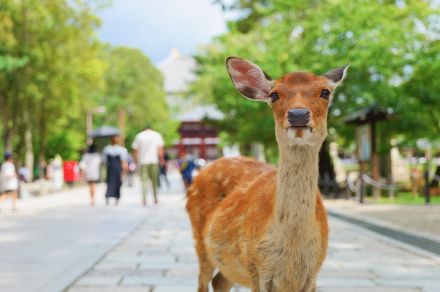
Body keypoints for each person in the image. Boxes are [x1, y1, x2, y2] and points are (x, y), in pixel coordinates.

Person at [132, 124, 165, 205]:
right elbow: (160, 149)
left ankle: (144, 198)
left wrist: (136, 161)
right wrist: (161, 159)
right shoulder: (157, 135)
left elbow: (136, 150)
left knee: (144, 181)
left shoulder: (139, 136)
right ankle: (155, 198)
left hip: (143, 161)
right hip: (154, 160)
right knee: (154, 180)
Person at [103, 136, 128, 205]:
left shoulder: (107, 149)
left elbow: (104, 160)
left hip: (110, 167)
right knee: (117, 182)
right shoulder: (121, 149)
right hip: (117, 167)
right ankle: (116, 197)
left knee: (110, 182)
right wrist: (125, 170)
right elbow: (123, 161)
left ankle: (108, 196)